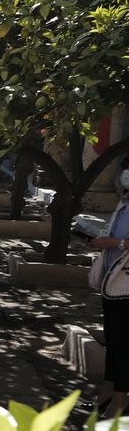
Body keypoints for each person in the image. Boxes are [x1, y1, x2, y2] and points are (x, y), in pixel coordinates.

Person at [90, 155, 129, 416]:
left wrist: (116, 244)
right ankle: (108, 389)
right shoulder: (124, 203)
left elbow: (121, 241)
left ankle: (120, 399)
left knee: (124, 341)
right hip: (112, 279)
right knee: (113, 339)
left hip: (126, 283)